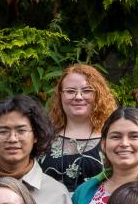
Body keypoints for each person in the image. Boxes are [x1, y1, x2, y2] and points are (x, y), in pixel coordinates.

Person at [41, 64, 116, 192]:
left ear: (98, 95)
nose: (78, 97)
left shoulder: (113, 138)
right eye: (70, 91)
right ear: (60, 96)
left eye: (87, 91)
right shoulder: (44, 137)